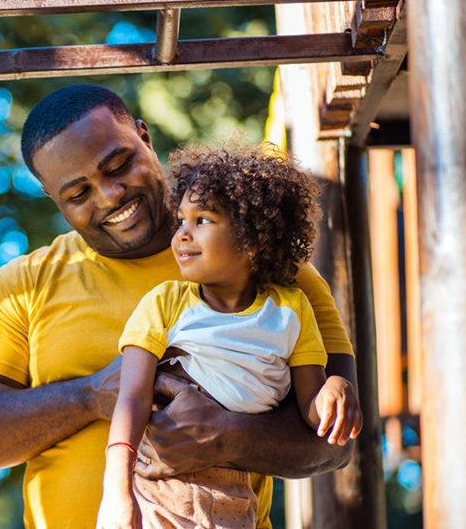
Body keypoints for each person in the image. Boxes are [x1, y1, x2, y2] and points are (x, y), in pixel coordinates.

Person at [0, 84, 358, 529]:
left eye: (119, 165)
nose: (110, 195)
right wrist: (91, 395)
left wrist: (228, 437)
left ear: (144, 137)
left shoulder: (268, 267)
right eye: (78, 193)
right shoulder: (21, 287)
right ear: (49, 196)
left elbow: (338, 441)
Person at [97, 145, 363, 529]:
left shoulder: (291, 310)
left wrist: (335, 390)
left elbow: (311, 409)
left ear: (253, 239)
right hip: (158, 488)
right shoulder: (164, 305)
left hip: (235, 493)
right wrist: (117, 492)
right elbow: (132, 398)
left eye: (202, 220)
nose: (182, 235)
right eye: (180, 220)